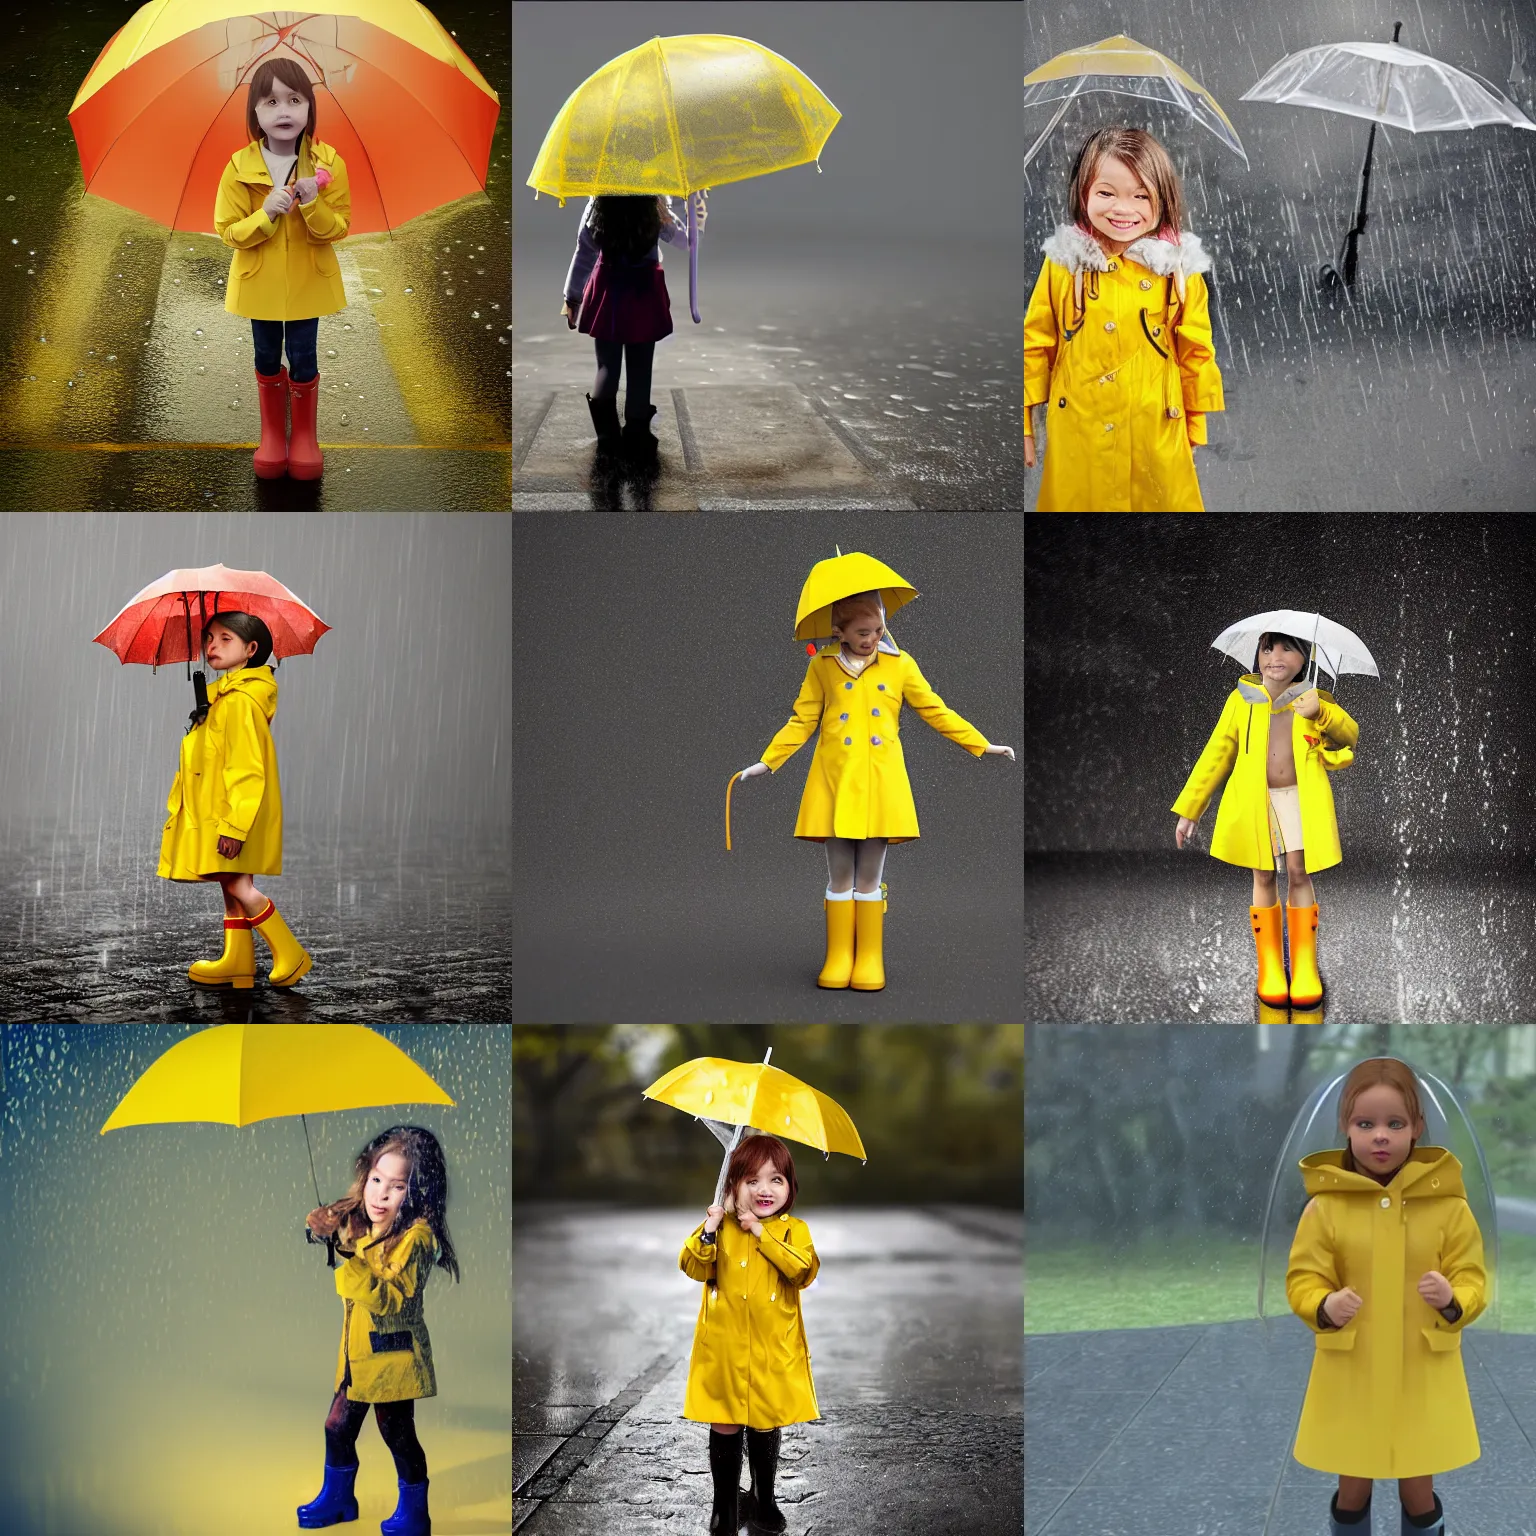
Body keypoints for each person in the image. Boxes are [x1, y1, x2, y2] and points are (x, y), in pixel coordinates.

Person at [735, 589, 1015, 991]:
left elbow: (935, 709)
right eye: (863, 631)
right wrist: (768, 760)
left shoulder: (900, 665)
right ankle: (838, 956)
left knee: (869, 875)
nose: (872, 638)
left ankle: (868, 957)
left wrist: (981, 743)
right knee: (839, 873)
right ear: (840, 630)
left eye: (878, 629)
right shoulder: (822, 667)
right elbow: (802, 720)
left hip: (882, 782)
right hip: (835, 781)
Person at [1286, 1058, 1484, 1536]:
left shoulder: (1448, 1209)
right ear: (1345, 1127)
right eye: (1365, 1123)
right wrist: (1324, 1306)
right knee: (1354, 1482)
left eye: (1395, 1123)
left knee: (1417, 1485)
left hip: (1420, 1370)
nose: (1380, 1136)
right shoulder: (1326, 1207)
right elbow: (1304, 1277)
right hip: (1354, 1369)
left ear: (1417, 1127)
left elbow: (1472, 1277)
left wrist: (1451, 1298)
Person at [1024, 125, 1224, 510]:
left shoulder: (1178, 272)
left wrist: (1194, 425)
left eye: (1141, 195)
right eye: (1106, 192)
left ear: (1163, 200)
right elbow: (1036, 343)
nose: (1122, 209)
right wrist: (1025, 424)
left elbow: (1195, 349)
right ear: (1083, 194)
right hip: (1079, 428)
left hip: (1154, 428)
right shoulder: (1065, 265)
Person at [1171, 631, 1358, 1008]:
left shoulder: (1314, 699)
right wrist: (1191, 807)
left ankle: (1304, 965)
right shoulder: (1242, 700)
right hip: (1256, 800)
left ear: (1304, 659)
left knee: (1299, 870)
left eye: (1288, 649)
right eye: (1267, 648)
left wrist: (1320, 712)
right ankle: (1270, 965)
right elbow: (1218, 752)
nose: (1275, 656)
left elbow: (1349, 734)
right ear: (1256, 656)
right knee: (1263, 872)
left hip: (1298, 799)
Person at [300, 1125, 462, 1535]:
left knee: (397, 1433)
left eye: (397, 1186)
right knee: (336, 1426)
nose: (380, 1194)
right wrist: (321, 1228)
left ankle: (414, 1513)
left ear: (418, 1191)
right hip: (357, 1357)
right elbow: (331, 1235)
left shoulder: (418, 1238)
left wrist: (346, 1258)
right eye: (376, 1179)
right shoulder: (360, 1218)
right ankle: (339, 1498)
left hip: (392, 1356)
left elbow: (392, 1300)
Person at [158, 613, 313, 989]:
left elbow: (246, 768)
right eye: (209, 638)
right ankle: (238, 962)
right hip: (222, 809)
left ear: (251, 649)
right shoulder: (224, 699)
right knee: (231, 886)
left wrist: (234, 825)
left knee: (240, 887)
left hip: (235, 812)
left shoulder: (242, 701)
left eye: (226, 639)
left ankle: (290, 953)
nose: (212, 645)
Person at [215, 57, 352, 482]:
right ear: (255, 112)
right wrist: (265, 214)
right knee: (265, 354)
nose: (284, 111)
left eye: (295, 100)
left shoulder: (329, 163)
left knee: (304, 354)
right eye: (270, 101)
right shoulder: (238, 168)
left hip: (308, 281)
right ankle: (273, 435)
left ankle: (305, 437)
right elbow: (228, 232)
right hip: (260, 285)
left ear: (310, 107)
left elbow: (338, 228)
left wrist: (312, 202)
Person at [680, 1135, 817, 1535]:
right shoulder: (719, 1228)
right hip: (723, 1346)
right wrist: (710, 1226)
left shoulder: (794, 1230)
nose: (764, 1189)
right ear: (733, 1184)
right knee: (725, 1422)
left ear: (790, 1187)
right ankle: (723, 1507)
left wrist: (760, 1231)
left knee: (763, 1421)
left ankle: (764, 1497)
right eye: (752, 1180)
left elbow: (802, 1271)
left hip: (773, 1347)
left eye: (777, 1180)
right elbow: (692, 1265)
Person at [562, 191, 707, 468]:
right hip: (643, 290)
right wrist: (693, 211)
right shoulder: (654, 206)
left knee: (607, 367)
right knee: (641, 368)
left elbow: (584, 250)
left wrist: (572, 296)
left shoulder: (599, 203)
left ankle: (607, 438)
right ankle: (637, 434)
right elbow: (685, 240)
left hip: (610, 290)